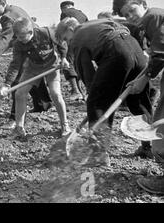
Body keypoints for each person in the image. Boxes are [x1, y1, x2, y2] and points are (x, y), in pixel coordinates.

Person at [56, 17, 152, 166]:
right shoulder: (98, 23)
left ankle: (98, 155)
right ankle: (149, 147)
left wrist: (93, 94)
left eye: (65, 39)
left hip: (117, 52)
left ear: (70, 30)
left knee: (97, 103)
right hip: (137, 52)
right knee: (138, 101)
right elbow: (134, 29)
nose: (68, 43)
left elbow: (85, 69)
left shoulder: (78, 37)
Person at [112, 0, 164, 193]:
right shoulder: (149, 22)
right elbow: (156, 58)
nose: (130, 16)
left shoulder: (153, 17)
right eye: (125, 14)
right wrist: (141, 76)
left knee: (160, 129)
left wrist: (144, 79)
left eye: (132, 10)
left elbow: (160, 57)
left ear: (144, 4)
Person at [0, 0, 53, 119]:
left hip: (28, 48)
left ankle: (14, 117)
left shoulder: (7, 17)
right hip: (36, 47)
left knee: (17, 81)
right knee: (33, 74)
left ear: (2, 3)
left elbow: (6, 37)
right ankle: (43, 104)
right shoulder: (16, 9)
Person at [0, 17, 70, 139]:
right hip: (33, 68)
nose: (20, 40)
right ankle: (19, 128)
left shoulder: (46, 32)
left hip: (51, 66)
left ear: (30, 32)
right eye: (17, 37)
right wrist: (6, 84)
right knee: (19, 93)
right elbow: (15, 65)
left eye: (22, 37)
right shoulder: (18, 44)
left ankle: (65, 125)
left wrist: (64, 57)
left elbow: (61, 43)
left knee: (55, 94)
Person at [59, 1, 89, 101]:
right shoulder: (82, 14)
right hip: (84, 40)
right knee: (80, 64)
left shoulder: (65, 13)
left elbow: (64, 29)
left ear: (63, 8)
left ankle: (76, 91)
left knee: (68, 63)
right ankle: (84, 91)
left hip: (72, 40)